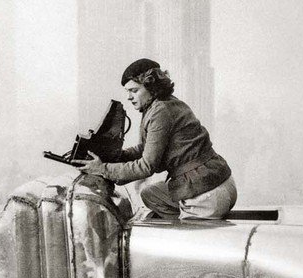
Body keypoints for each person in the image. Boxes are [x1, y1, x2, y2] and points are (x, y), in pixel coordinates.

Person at [74, 58, 236, 220]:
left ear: (151, 87)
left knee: (181, 239)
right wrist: (114, 157)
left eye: (134, 91)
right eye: (128, 92)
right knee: (150, 194)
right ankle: (183, 220)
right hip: (219, 182)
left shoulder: (160, 112)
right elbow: (146, 148)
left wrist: (103, 169)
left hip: (207, 194)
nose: (129, 97)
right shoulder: (165, 104)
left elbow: (146, 166)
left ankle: (187, 222)